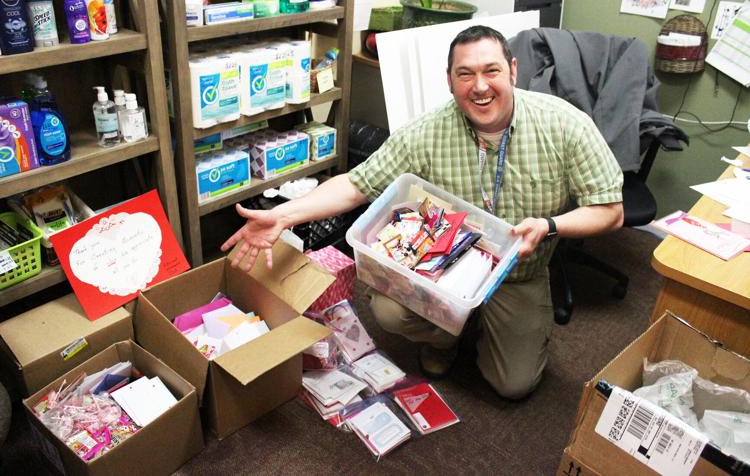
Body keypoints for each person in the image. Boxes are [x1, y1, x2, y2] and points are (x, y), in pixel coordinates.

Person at [221, 25, 623, 400]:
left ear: (513, 71)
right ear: (449, 80)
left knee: (513, 385)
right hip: (441, 275)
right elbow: (357, 184)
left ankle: (488, 326)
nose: (480, 86)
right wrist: (286, 215)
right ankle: (443, 337)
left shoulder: (565, 125)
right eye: (465, 74)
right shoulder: (426, 132)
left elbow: (610, 209)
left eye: (491, 70)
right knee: (388, 309)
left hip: (517, 273)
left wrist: (551, 225)